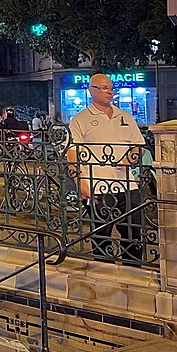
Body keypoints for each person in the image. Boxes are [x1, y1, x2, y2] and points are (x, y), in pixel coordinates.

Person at [68, 74, 146, 265]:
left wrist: (130, 159)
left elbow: (139, 145)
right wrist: (80, 182)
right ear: (91, 90)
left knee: (133, 233)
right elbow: (72, 153)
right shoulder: (80, 119)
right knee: (102, 235)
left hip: (127, 185)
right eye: (103, 88)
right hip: (97, 187)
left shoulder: (125, 116)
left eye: (111, 87)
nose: (109, 91)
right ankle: (104, 272)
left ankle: (133, 271)